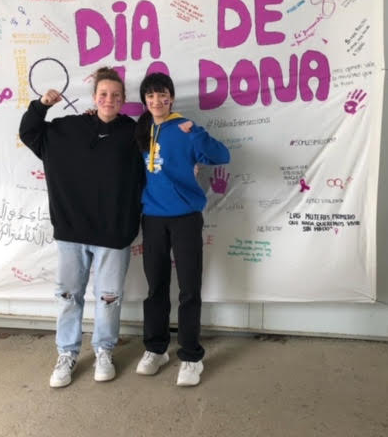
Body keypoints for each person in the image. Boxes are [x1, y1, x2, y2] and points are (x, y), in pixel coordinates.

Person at [19, 67, 143, 388]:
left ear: (123, 99)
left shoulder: (134, 133)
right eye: (103, 94)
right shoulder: (68, 128)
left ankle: (104, 350)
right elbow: (30, 132)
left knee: (108, 298)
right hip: (72, 231)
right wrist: (41, 105)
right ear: (94, 97)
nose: (109, 100)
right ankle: (67, 353)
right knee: (68, 296)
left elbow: (158, 162)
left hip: (114, 233)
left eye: (115, 95)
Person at [134, 72, 230, 387]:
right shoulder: (141, 129)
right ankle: (156, 349)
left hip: (186, 217)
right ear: (144, 100)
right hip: (152, 218)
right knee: (156, 287)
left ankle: (191, 356)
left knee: (189, 288)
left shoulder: (186, 128)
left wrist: (197, 135)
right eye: (150, 96)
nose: (156, 101)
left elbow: (222, 155)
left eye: (162, 95)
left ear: (171, 98)